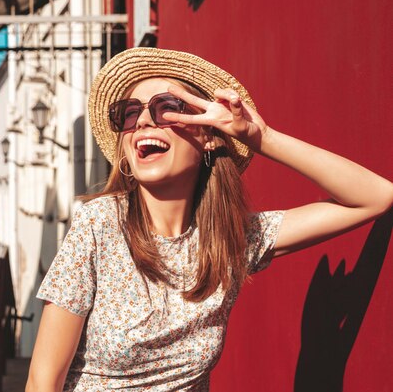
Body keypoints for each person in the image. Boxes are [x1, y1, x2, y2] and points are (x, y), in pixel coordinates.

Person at [25, 47, 393, 392]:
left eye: (167, 108)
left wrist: (260, 136)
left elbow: (374, 198)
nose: (144, 121)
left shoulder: (232, 238)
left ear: (208, 137)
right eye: (130, 112)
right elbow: (44, 378)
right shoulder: (99, 224)